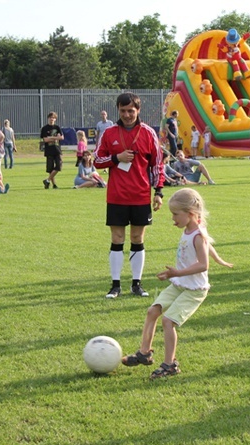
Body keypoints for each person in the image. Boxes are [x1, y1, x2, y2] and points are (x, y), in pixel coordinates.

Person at [120, 188, 232, 379]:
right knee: (153, 310)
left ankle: (170, 365)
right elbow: (208, 247)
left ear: (190, 214)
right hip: (179, 284)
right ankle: (144, 353)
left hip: (194, 290)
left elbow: (203, 264)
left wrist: (177, 272)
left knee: (168, 321)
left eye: (175, 214)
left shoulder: (197, 235)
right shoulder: (191, 229)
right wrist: (218, 258)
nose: (173, 218)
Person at [94, 92, 165, 299]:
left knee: (137, 237)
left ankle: (137, 283)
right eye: (123, 111)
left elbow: (157, 165)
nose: (127, 115)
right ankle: (115, 285)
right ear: (118, 110)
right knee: (117, 238)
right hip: (116, 195)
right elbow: (97, 161)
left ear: (138, 110)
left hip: (141, 195)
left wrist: (158, 191)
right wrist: (117, 158)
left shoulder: (148, 133)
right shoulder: (109, 133)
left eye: (131, 111)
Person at [41, 112, 63, 189]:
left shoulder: (57, 128)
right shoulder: (44, 128)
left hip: (57, 149)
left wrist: (52, 138)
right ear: (48, 118)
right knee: (50, 168)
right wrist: (55, 138)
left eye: (53, 118)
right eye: (50, 117)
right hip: (49, 150)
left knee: (58, 166)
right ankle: (54, 184)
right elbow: (45, 139)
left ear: (55, 119)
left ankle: (47, 180)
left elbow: (61, 137)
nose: (52, 119)